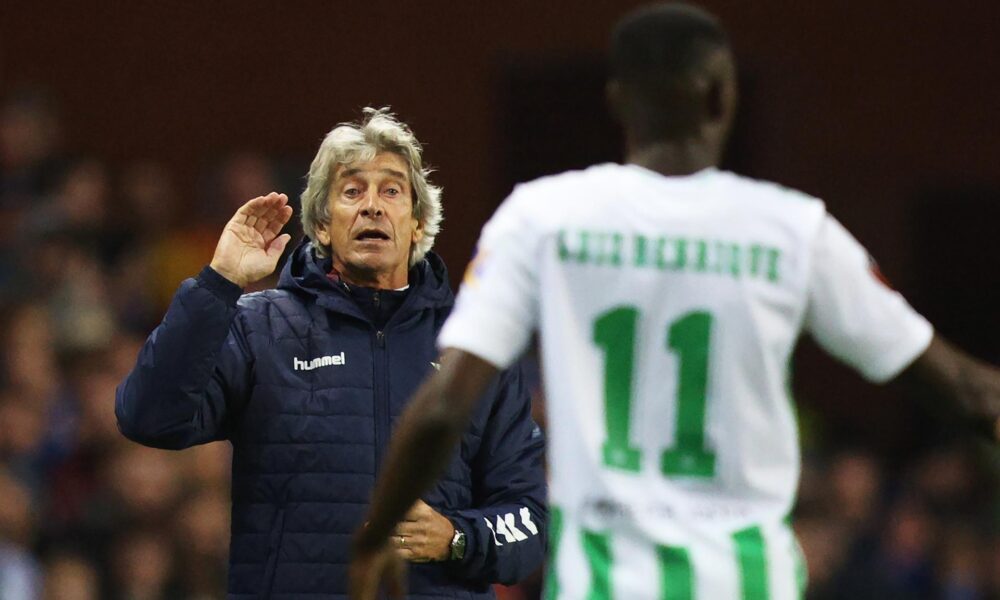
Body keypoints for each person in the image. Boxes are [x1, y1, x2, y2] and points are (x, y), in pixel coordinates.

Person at [349, 4, 1000, 599]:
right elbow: (971, 394)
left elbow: (443, 408)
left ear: (618, 103)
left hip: (603, 584)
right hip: (749, 582)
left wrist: (377, 534)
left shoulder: (542, 217)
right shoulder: (795, 231)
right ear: (723, 97)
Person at [115, 108, 547, 598]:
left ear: (419, 224)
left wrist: (457, 537)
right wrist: (218, 284)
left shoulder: (477, 346)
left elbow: (530, 524)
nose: (373, 207)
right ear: (322, 226)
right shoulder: (259, 328)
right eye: (351, 191)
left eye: (391, 190)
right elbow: (147, 418)